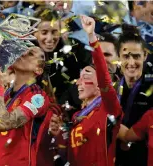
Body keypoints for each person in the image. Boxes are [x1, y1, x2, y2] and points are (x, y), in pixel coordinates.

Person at [49, 15, 122, 166]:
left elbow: (104, 76)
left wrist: (91, 36)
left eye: (86, 76)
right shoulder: (77, 116)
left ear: (99, 85)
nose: (78, 82)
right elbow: (70, 155)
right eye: (79, 78)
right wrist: (59, 136)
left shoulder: (108, 106)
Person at [0, 46, 52, 166]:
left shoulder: (38, 97)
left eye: (30, 54)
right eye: (23, 50)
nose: (23, 53)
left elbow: (2, 123)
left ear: (38, 70)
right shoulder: (6, 94)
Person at [115, 24, 153, 166]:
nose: (131, 62)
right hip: (114, 157)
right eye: (126, 56)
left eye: (136, 56)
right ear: (118, 56)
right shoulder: (111, 87)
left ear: (145, 55)